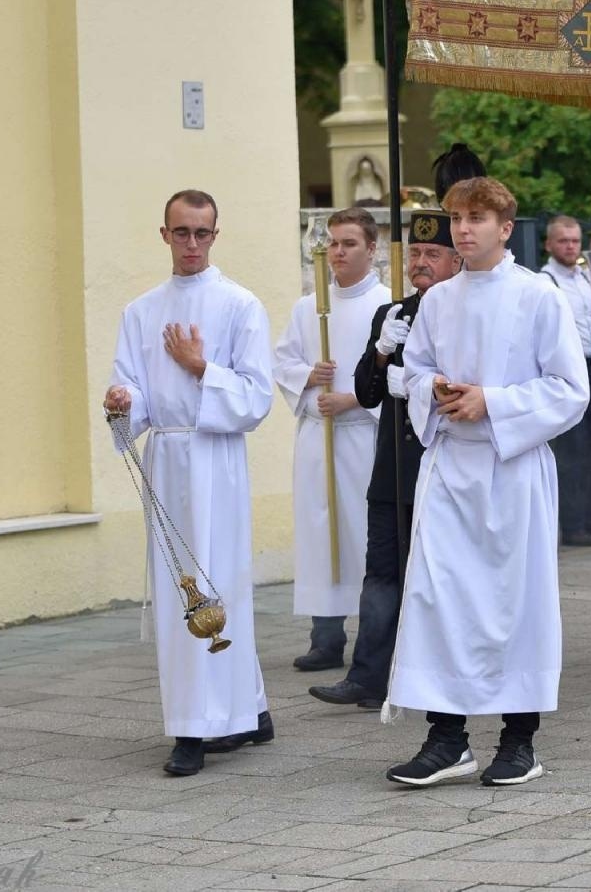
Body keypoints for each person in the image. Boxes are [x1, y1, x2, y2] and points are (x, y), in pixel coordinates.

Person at [385, 177, 590, 787]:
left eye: (476, 218)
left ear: (505, 228)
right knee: (438, 599)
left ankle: (519, 741)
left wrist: (493, 402)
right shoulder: (438, 301)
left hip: (511, 468)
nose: (463, 228)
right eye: (456, 218)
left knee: (515, 602)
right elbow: (413, 372)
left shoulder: (538, 296)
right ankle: (446, 738)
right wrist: (434, 389)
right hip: (450, 466)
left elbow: (570, 390)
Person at [104, 190, 275, 776]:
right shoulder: (141, 311)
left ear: (215, 235)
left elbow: (256, 397)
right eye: (182, 232)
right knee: (180, 586)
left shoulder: (240, 305)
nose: (192, 244)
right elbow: (131, 391)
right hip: (168, 458)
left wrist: (201, 367)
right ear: (165, 235)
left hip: (216, 458)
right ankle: (227, 714)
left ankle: (202, 727)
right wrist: (122, 403)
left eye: (202, 233)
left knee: (220, 584)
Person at [308, 210, 461, 710]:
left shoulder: (463, 313)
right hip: (392, 469)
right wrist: (379, 352)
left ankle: (434, 676)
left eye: (433, 253)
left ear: (456, 260)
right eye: (415, 253)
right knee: (380, 575)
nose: (421, 263)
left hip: (441, 469)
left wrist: (420, 387)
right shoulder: (392, 314)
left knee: (435, 578)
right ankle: (368, 677)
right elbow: (367, 392)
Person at [275, 208, 392, 673]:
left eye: (349, 243)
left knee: (363, 536)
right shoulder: (308, 308)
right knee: (321, 536)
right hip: (318, 438)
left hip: (364, 438)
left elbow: (401, 374)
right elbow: (282, 363)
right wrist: (309, 377)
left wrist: (355, 399)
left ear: (372, 249)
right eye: (334, 244)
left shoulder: (388, 306)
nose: (338, 252)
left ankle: (375, 638)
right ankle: (325, 637)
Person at [540, 215, 591, 547]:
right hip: (568, 369)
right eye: (563, 241)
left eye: (575, 241)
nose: (571, 247)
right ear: (549, 244)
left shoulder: (588, 277)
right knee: (573, 447)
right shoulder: (544, 282)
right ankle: (572, 525)